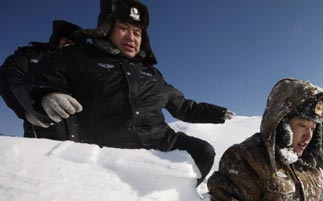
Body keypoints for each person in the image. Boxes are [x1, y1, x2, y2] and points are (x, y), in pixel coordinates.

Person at [18, 0, 234, 185]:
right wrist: (46, 95)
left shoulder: (152, 73)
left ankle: (178, 200)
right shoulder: (77, 57)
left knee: (203, 151)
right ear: (106, 27)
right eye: (124, 28)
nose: (132, 37)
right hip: (111, 149)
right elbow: (32, 80)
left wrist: (217, 113)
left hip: (161, 143)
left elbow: (184, 107)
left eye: (137, 32)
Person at [0, 20, 81, 139]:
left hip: (80, 140)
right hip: (42, 136)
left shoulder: (80, 67)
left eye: (75, 45)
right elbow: (9, 79)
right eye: (67, 41)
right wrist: (30, 109)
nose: (70, 46)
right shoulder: (30, 55)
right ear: (58, 39)